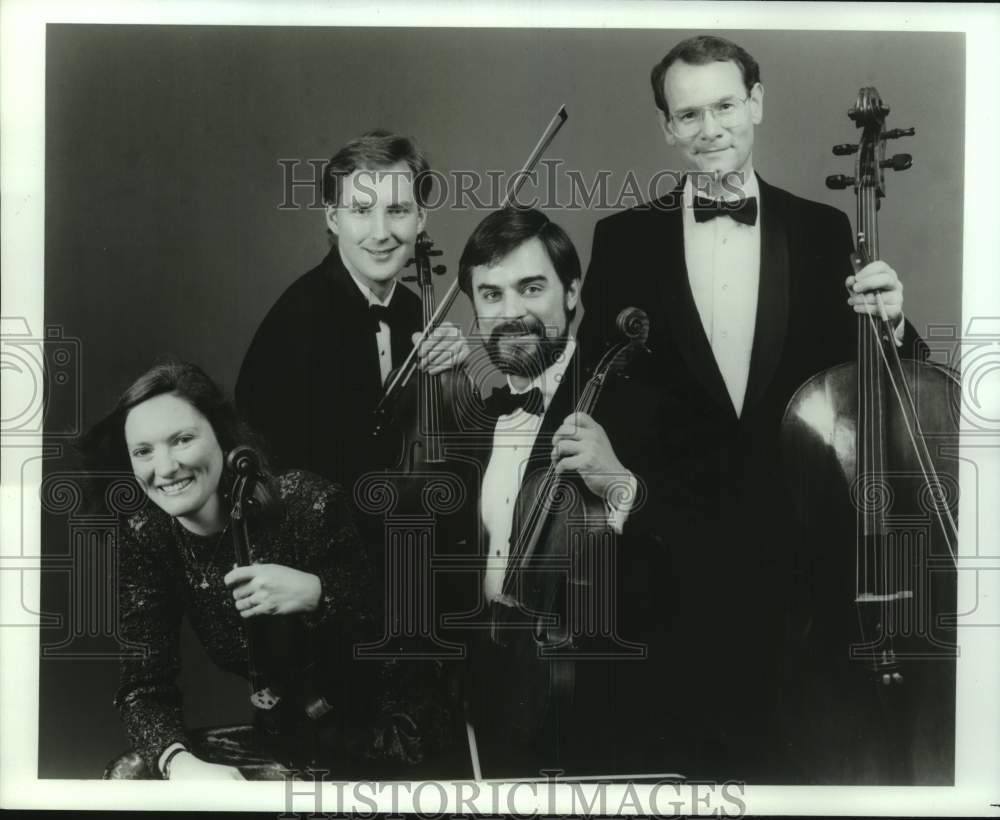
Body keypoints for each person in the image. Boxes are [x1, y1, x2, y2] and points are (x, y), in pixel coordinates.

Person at [576, 35, 928, 782]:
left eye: (726, 105)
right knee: (690, 769)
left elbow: (876, 391)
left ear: (758, 103)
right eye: (690, 114)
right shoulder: (623, 240)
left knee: (798, 770)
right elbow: (595, 388)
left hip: (803, 555)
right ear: (666, 127)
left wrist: (892, 322)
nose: (711, 129)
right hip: (674, 556)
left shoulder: (825, 228)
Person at [82, 361, 453, 780]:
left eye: (182, 440)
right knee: (129, 774)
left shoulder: (305, 503)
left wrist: (317, 593)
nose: (165, 468)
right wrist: (180, 764)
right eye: (144, 451)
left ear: (221, 438)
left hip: (387, 731)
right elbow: (143, 685)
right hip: (291, 737)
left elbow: (399, 630)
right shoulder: (149, 536)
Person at [451, 207, 667, 779]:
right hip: (492, 698)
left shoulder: (637, 407)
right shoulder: (471, 424)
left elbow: (699, 553)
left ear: (572, 293)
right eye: (491, 295)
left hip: (601, 714)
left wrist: (621, 483)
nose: (512, 312)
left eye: (532, 288)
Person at [235, 129, 468, 495]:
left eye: (397, 210)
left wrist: (455, 379)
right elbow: (273, 475)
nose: (380, 233)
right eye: (361, 210)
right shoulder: (294, 322)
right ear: (332, 217)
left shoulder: (417, 313)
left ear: (420, 218)